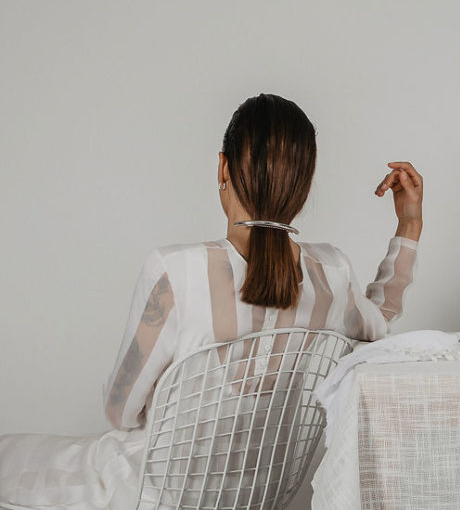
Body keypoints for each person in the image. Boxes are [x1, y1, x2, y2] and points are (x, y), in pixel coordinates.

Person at [0, 93, 423, 510]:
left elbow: (121, 413)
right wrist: (408, 226)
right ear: (303, 185)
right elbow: (379, 326)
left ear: (222, 168)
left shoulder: (175, 270)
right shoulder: (333, 275)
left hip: (145, 494)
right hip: (262, 498)